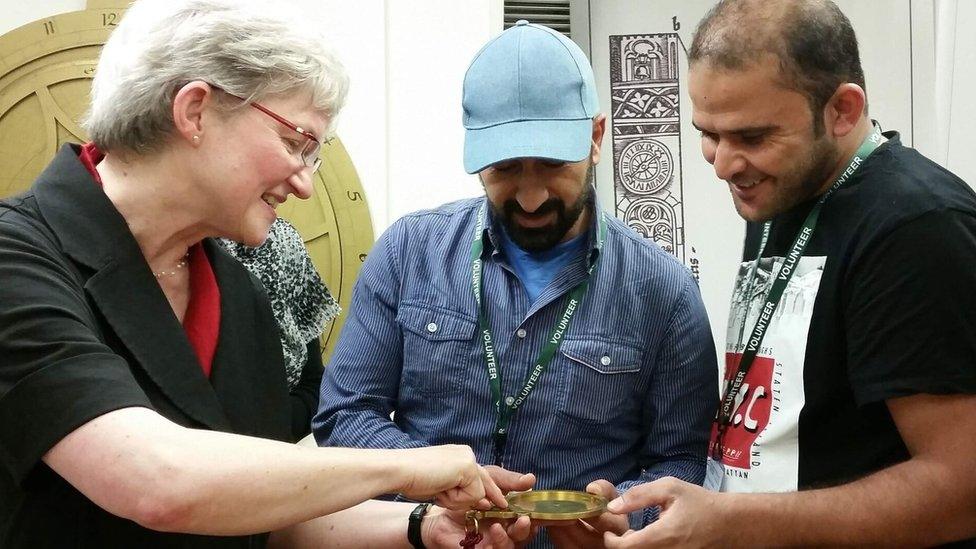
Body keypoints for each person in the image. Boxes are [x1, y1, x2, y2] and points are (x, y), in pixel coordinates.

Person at [0, 0, 510, 546]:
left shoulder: (237, 294)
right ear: (195, 110)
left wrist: (422, 524)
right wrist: (403, 468)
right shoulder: (21, 257)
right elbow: (155, 481)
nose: (305, 184)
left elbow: (266, 515)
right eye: (296, 144)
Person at [314, 20, 718, 547]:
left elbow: (681, 460)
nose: (530, 198)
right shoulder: (407, 253)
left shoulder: (664, 293)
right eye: (504, 169)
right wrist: (429, 480)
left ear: (596, 139)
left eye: (552, 165)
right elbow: (345, 417)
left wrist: (627, 513)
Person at [602, 1, 976, 547]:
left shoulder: (916, 227)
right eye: (709, 133)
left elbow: (962, 488)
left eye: (751, 137)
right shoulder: (785, 191)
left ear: (842, 110)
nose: (724, 164)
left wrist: (732, 523)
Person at [220, 217, 338, 440]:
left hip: (273, 452)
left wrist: (265, 436)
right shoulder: (159, 254)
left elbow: (312, 384)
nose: (303, 188)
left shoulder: (282, 241)